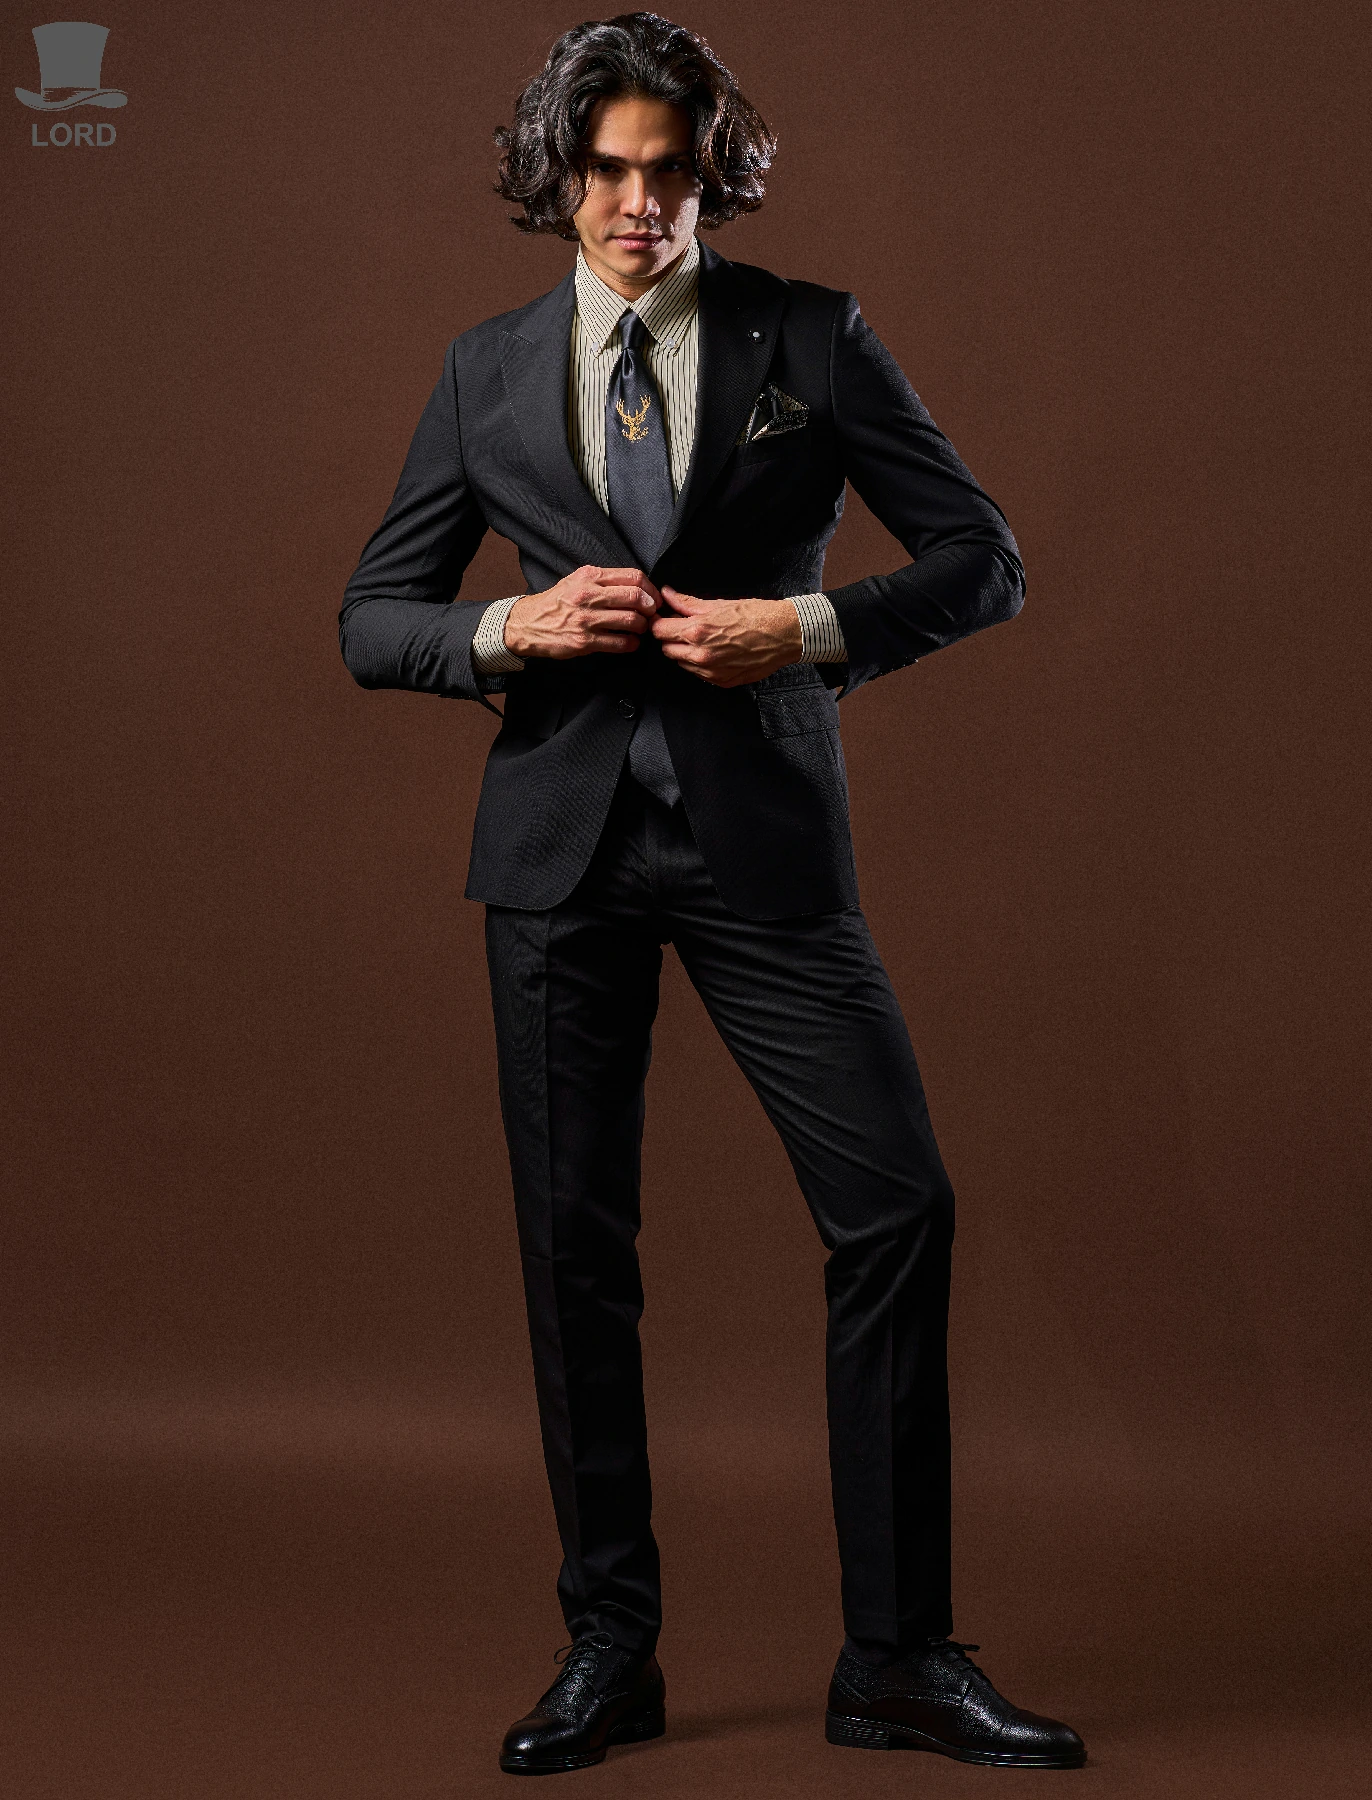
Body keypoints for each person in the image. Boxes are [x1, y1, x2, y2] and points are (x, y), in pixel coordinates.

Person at [339, 10, 1085, 1776]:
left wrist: (805, 629)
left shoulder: (811, 338)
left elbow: (985, 560)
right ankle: (611, 1647)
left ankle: (895, 1657)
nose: (638, 205)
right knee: (573, 1255)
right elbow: (371, 617)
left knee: (895, 1209)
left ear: (712, 180)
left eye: (670, 173)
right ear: (561, 178)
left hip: (763, 848)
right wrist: (508, 628)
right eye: (607, 171)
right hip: (559, 856)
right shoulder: (484, 370)